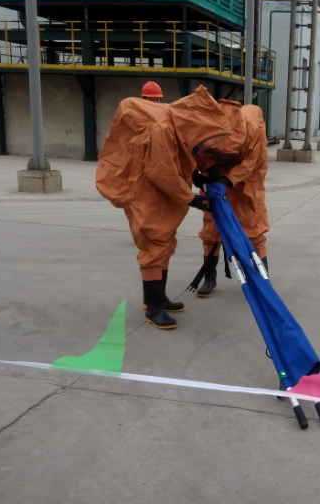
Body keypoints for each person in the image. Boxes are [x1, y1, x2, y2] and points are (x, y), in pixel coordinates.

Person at [96, 86, 230, 330]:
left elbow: (183, 154)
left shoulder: (174, 126)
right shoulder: (162, 129)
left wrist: (203, 172)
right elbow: (161, 171)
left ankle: (160, 298)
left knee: (165, 244)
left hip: (163, 195)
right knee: (154, 245)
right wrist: (190, 198)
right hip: (149, 194)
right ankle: (153, 307)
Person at [193, 100, 270, 297]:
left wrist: (228, 180)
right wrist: (198, 172)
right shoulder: (207, 126)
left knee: (253, 228)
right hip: (213, 174)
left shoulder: (252, 130)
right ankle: (209, 278)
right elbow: (195, 152)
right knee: (211, 229)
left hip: (247, 181)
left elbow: (251, 162)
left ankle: (262, 278)